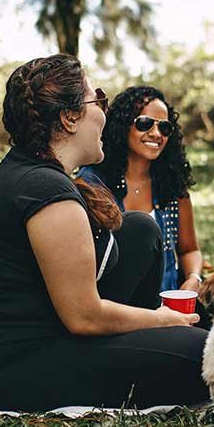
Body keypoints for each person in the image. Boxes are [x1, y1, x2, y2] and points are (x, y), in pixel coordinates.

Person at [0, 54, 208, 412]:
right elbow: (84, 316)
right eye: (97, 99)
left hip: (41, 332)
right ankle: (162, 342)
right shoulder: (45, 192)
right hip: (7, 369)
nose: (104, 111)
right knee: (205, 355)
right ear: (69, 118)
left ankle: (154, 341)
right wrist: (163, 319)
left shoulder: (35, 173)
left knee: (140, 230)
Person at [76, 86, 203, 293]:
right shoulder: (93, 183)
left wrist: (193, 278)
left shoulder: (171, 185)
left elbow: (189, 250)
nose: (156, 134)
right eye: (144, 124)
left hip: (169, 304)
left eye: (164, 127)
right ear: (123, 125)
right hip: (115, 306)